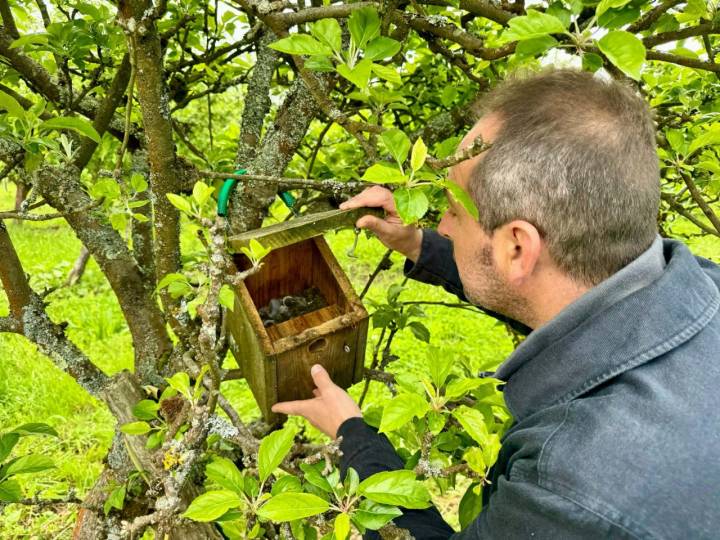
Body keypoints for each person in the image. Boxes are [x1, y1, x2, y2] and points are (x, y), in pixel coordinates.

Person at [272, 69, 720, 538]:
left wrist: (354, 437)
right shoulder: (696, 291)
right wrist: (418, 246)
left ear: (517, 248)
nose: (442, 226)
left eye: (452, 211)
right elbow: (534, 284)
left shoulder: (568, 488)